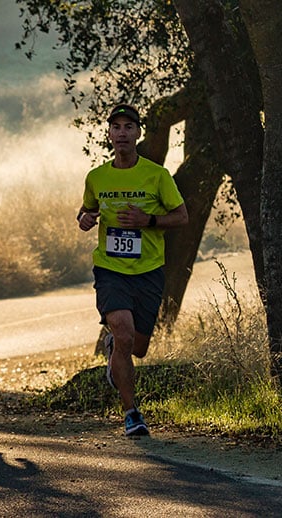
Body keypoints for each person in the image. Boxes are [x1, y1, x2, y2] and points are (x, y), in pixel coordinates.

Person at [78, 104, 188, 436]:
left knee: (137, 347)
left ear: (138, 133)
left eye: (129, 127)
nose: (122, 132)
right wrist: (84, 218)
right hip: (110, 269)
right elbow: (87, 211)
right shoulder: (97, 177)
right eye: (116, 127)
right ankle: (132, 414)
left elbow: (182, 217)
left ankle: (115, 352)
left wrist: (148, 221)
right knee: (124, 333)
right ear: (109, 135)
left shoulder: (157, 176)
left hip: (149, 270)